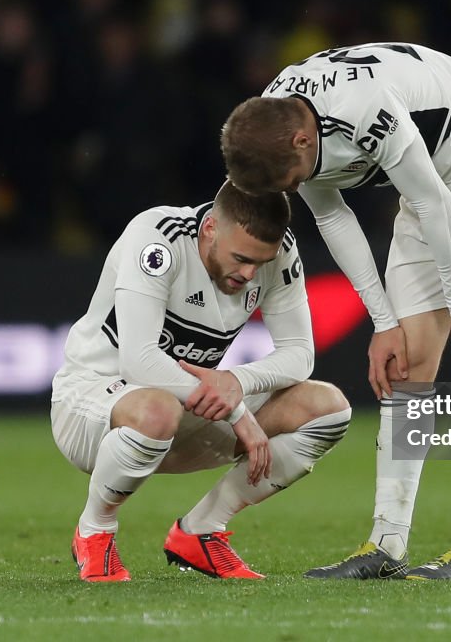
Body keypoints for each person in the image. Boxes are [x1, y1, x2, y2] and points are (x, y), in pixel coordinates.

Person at [221, 42, 451, 580]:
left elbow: (431, 201)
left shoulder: (363, 108)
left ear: (304, 140)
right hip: (431, 189)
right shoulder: (277, 120)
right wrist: (382, 320)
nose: (297, 188)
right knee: (407, 365)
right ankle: (387, 543)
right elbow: (333, 217)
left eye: (294, 178)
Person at [51, 180, 351, 581]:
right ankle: (95, 530)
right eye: (241, 258)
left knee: (327, 407)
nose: (249, 273)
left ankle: (202, 531)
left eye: (260, 263)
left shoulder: (277, 253)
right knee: (157, 407)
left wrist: (236, 381)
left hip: (186, 413)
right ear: (210, 227)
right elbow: (139, 361)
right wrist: (238, 410)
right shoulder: (158, 238)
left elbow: (300, 353)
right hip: (90, 406)